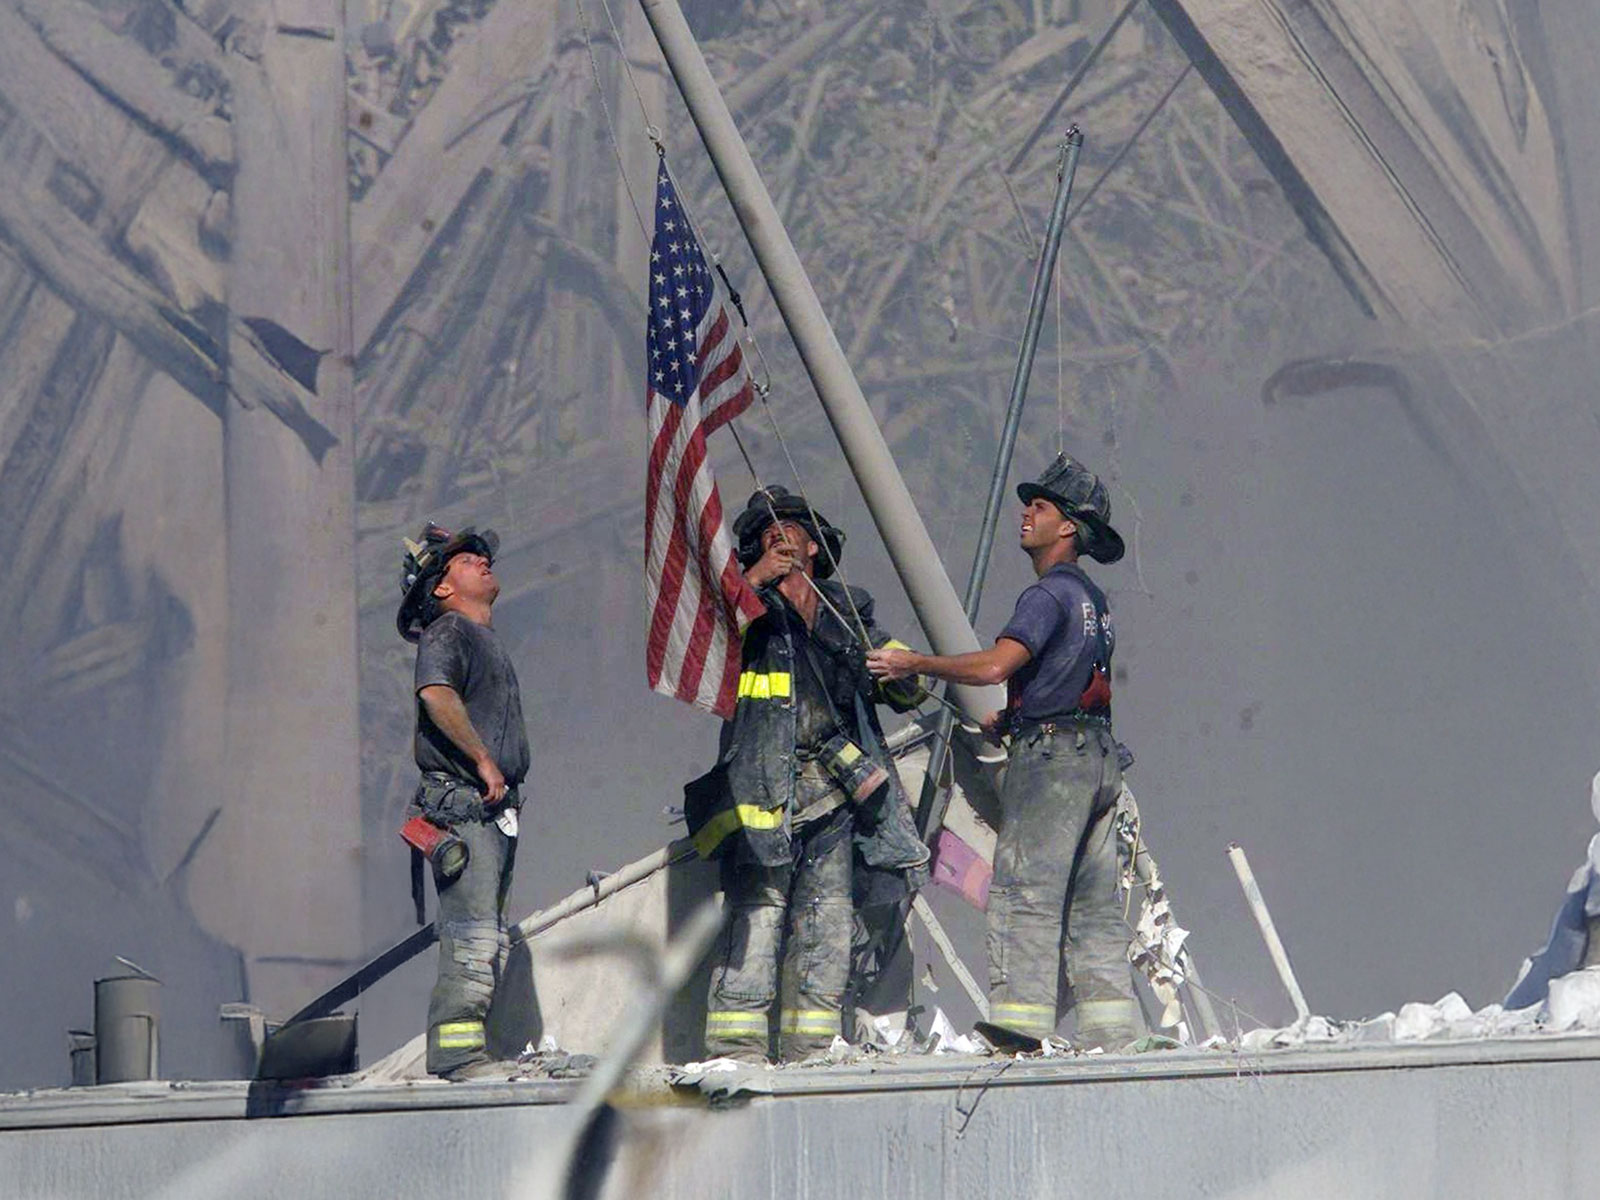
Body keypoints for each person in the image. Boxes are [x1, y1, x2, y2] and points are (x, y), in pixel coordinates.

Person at [867, 453, 1144, 1052]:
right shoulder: (1093, 600)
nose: (1026, 513)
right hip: (1097, 757)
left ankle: (1020, 1026)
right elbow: (1072, 678)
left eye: (1040, 507)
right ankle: (1115, 1032)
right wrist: (1014, 716)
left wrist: (912, 662)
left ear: (1067, 527)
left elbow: (995, 665)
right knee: (1092, 902)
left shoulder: (1046, 596)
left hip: (1052, 764)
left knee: (1025, 892)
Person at [686, 486, 929, 1063]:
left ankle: (811, 1046)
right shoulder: (741, 610)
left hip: (837, 793)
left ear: (815, 546)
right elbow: (704, 646)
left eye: (789, 527)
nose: (777, 535)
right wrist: (752, 583)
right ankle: (737, 1046)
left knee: (827, 922)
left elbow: (907, 687)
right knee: (757, 917)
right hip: (761, 787)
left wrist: (898, 671)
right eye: (765, 532)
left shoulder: (849, 612)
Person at [396, 522, 530, 1080]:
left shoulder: (481, 638)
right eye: (466, 560)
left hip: (491, 812)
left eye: (482, 555)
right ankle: (456, 1056)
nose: (482, 561)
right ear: (442, 588)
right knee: (473, 937)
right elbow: (436, 694)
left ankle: (473, 1051)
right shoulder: (449, 630)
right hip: (465, 806)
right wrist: (480, 758)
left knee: (488, 935)